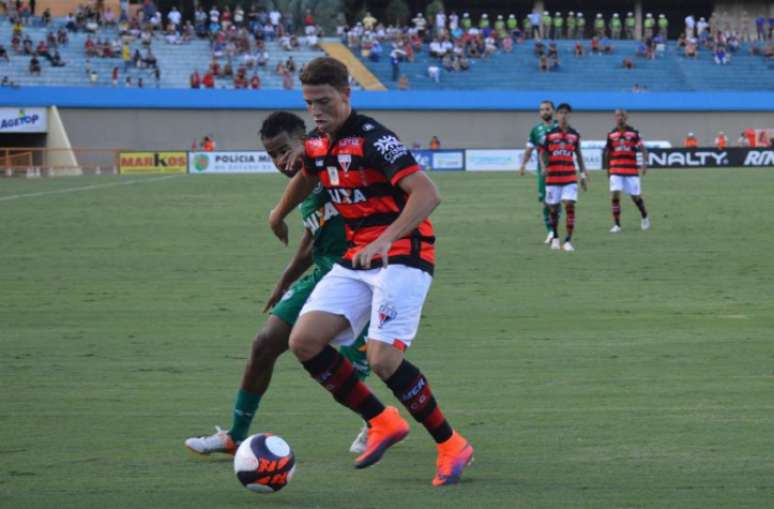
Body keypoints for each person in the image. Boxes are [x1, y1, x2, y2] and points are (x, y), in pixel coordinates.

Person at [267, 57, 473, 487]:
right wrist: (278, 212)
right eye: (310, 104)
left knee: (382, 359)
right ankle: (382, 420)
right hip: (359, 259)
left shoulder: (374, 139)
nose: (317, 112)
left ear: (346, 94)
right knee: (304, 342)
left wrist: (385, 238)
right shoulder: (320, 142)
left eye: (325, 101)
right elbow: (308, 175)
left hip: (403, 255)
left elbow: (427, 193)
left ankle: (451, 444)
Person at [186, 111, 373, 457]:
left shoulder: (332, 166)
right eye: (271, 155)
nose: (278, 161)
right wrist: (283, 283)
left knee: (354, 368)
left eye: (283, 150)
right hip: (324, 275)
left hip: (364, 279)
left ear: (305, 141)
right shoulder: (306, 181)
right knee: (264, 343)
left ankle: (377, 421)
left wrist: (277, 214)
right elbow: (313, 236)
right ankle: (236, 436)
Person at [540, 103, 588, 252]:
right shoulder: (549, 134)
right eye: (561, 113)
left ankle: (567, 241)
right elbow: (543, 154)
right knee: (553, 209)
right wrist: (543, 167)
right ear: (557, 115)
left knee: (569, 205)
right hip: (553, 177)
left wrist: (583, 174)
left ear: (570, 115)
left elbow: (578, 154)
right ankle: (555, 237)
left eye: (566, 113)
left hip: (569, 176)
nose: (563, 115)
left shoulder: (575, 134)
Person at [519, 100, 560, 244]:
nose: (544, 112)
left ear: (553, 111)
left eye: (547, 109)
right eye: (542, 109)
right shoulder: (535, 130)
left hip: (561, 170)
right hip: (544, 171)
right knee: (545, 202)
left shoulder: (560, 127)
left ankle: (554, 231)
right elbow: (529, 150)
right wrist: (523, 164)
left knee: (557, 202)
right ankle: (550, 231)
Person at [603, 109, 650, 233]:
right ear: (615, 117)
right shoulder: (611, 134)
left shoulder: (634, 133)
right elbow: (608, 152)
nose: (620, 117)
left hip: (631, 170)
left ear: (626, 117)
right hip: (615, 169)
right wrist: (608, 169)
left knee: (635, 197)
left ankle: (644, 216)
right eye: (617, 115)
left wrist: (645, 164)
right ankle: (617, 225)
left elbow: (643, 148)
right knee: (615, 195)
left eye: (622, 115)